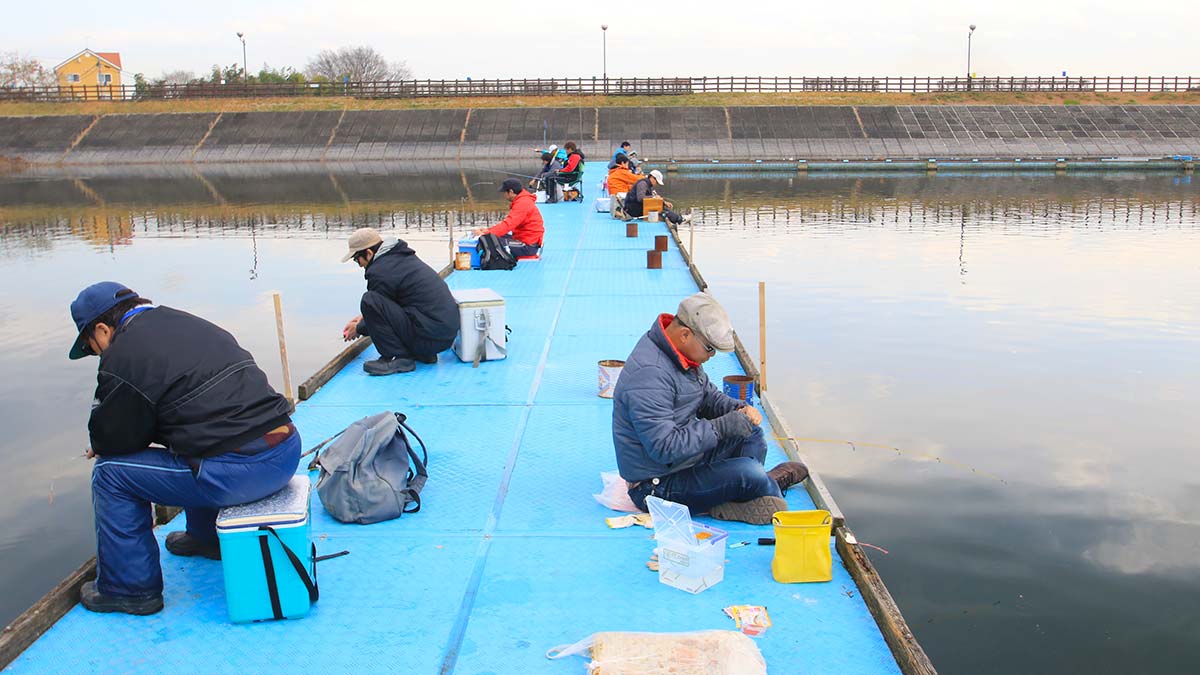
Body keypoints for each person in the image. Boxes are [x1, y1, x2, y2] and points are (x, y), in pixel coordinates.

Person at [69, 282, 300, 615]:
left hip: (243, 473)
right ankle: (206, 537)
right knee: (193, 433)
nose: (99, 355)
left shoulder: (124, 354)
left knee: (110, 473)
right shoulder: (185, 322)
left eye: (93, 348)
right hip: (285, 451)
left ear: (102, 329)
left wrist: (101, 444)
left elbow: (115, 440)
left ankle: (129, 590)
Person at [612, 293, 809, 525]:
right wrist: (723, 426)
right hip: (656, 486)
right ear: (685, 335)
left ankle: (745, 490)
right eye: (709, 348)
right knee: (749, 472)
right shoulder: (649, 375)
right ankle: (763, 484)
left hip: (685, 462)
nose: (711, 356)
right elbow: (664, 447)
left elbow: (706, 396)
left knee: (750, 433)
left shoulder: (680, 354)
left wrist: (738, 410)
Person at [341, 228, 460, 376]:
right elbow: (387, 303)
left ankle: (396, 357)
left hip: (429, 336)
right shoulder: (399, 258)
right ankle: (423, 354)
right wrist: (362, 318)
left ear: (369, 253)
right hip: (443, 337)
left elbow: (374, 305)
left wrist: (358, 328)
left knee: (368, 300)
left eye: (356, 259)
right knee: (373, 302)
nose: (358, 264)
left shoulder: (380, 270)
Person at [472, 178, 545, 258]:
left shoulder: (522, 204)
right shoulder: (523, 200)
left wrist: (485, 233)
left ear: (511, 192)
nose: (504, 195)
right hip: (527, 240)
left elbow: (508, 225)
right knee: (493, 237)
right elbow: (507, 224)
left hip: (528, 246)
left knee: (491, 241)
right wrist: (488, 230)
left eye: (505, 192)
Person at [623, 169, 691, 225]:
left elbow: (651, 197)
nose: (656, 184)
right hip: (632, 209)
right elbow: (641, 198)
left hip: (636, 206)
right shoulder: (643, 184)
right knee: (661, 211)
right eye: (657, 182)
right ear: (652, 178)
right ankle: (679, 219)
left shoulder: (648, 185)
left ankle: (679, 218)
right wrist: (654, 197)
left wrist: (664, 202)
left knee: (661, 207)